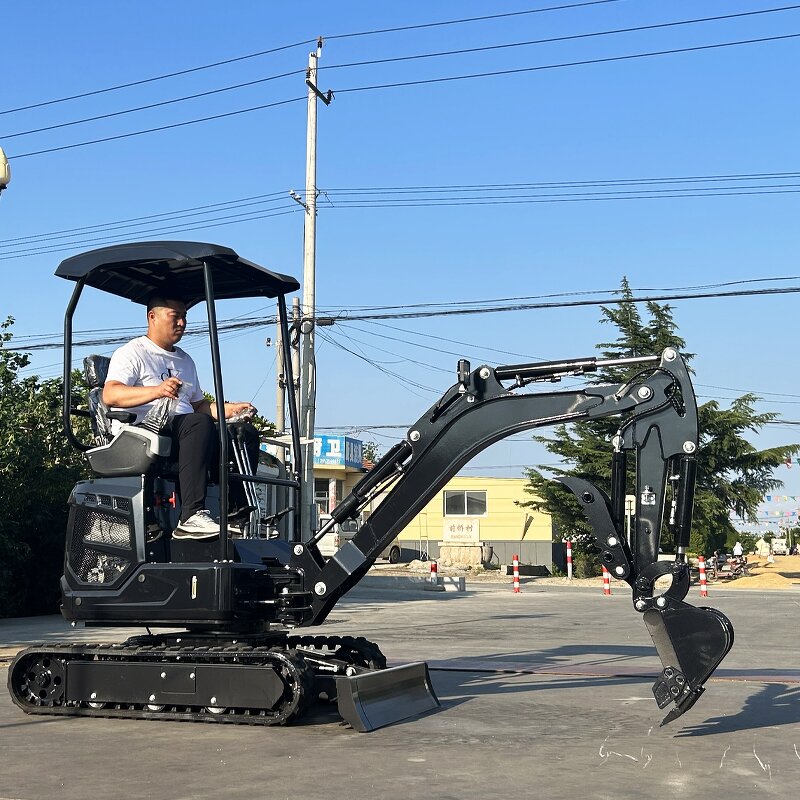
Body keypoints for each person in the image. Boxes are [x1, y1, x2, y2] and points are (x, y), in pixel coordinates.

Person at [103, 294, 259, 540]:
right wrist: (156, 390)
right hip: (146, 431)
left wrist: (231, 409)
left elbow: (198, 406)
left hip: (188, 430)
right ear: (152, 317)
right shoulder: (132, 353)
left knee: (242, 434)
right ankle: (191, 515)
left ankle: (236, 516)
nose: (182, 323)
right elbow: (110, 394)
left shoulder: (185, 360)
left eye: (185, 317)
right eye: (175, 316)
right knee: (197, 424)